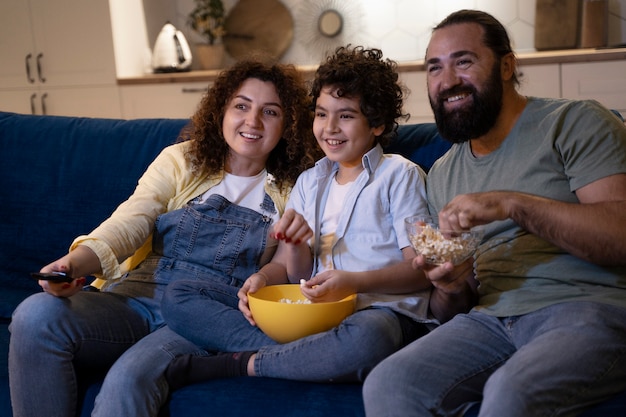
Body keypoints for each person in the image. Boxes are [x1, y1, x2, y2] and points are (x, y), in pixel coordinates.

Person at [8, 57, 321, 417]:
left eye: (270, 112)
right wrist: (72, 265)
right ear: (222, 110)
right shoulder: (181, 160)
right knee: (34, 314)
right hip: (134, 297)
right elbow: (130, 221)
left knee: (129, 378)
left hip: (205, 312)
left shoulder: (297, 184)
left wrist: (281, 260)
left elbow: (291, 270)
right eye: (241, 106)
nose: (251, 121)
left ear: (289, 124)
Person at [160, 45, 477, 388]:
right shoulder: (310, 181)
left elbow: (418, 274)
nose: (330, 128)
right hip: (311, 311)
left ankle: (243, 363)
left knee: (370, 339)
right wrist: (264, 279)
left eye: (346, 115)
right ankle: (311, 355)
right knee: (180, 296)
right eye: (322, 114)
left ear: (378, 123)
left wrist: (352, 282)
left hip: (376, 312)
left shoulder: (399, 175)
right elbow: (289, 270)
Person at [362, 9, 626, 417]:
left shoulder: (574, 123)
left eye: (463, 62)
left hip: (587, 308)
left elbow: (620, 235)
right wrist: (451, 284)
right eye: (435, 68)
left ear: (506, 66)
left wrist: (513, 204)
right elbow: (453, 307)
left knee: (511, 392)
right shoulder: (444, 172)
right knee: (390, 383)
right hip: (490, 319)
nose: (447, 81)